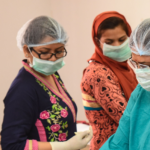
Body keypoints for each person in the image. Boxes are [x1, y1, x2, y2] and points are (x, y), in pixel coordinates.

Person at [1, 16, 93, 150]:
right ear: (27, 51)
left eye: (59, 51)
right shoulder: (22, 89)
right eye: (45, 53)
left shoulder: (51, 74)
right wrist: (63, 146)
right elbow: (11, 145)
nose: (53, 59)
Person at [80, 11, 138, 150]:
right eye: (109, 42)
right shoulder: (97, 73)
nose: (117, 46)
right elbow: (127, 118)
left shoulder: (126, 67)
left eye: (122, 39)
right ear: (97, 41)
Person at [99, 18, 150, 150]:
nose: (141, 71)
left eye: (147, 65)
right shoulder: (141, 93)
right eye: (136, 63)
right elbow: (119, 143)